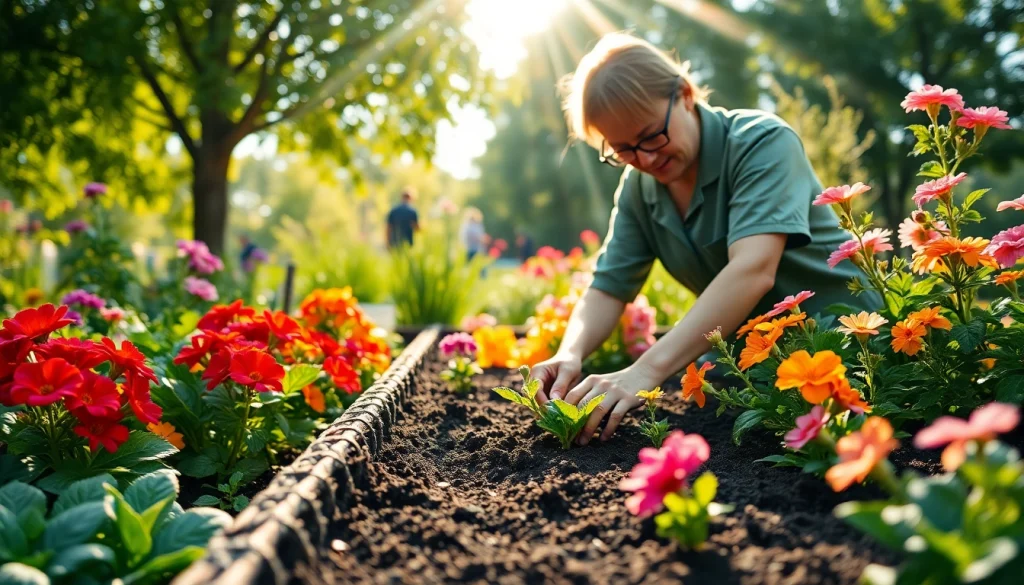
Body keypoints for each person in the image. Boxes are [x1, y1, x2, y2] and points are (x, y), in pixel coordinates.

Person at [532, 32, 878, 445]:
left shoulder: (762, 143)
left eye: (651, 136)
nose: (645, 159)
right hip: (755, 371)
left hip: (849, 351)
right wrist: (570, 352)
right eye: (623, 150)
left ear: (684, 94)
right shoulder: (639, 187)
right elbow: (608, 286)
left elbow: (753, 269)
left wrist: (644, 371)